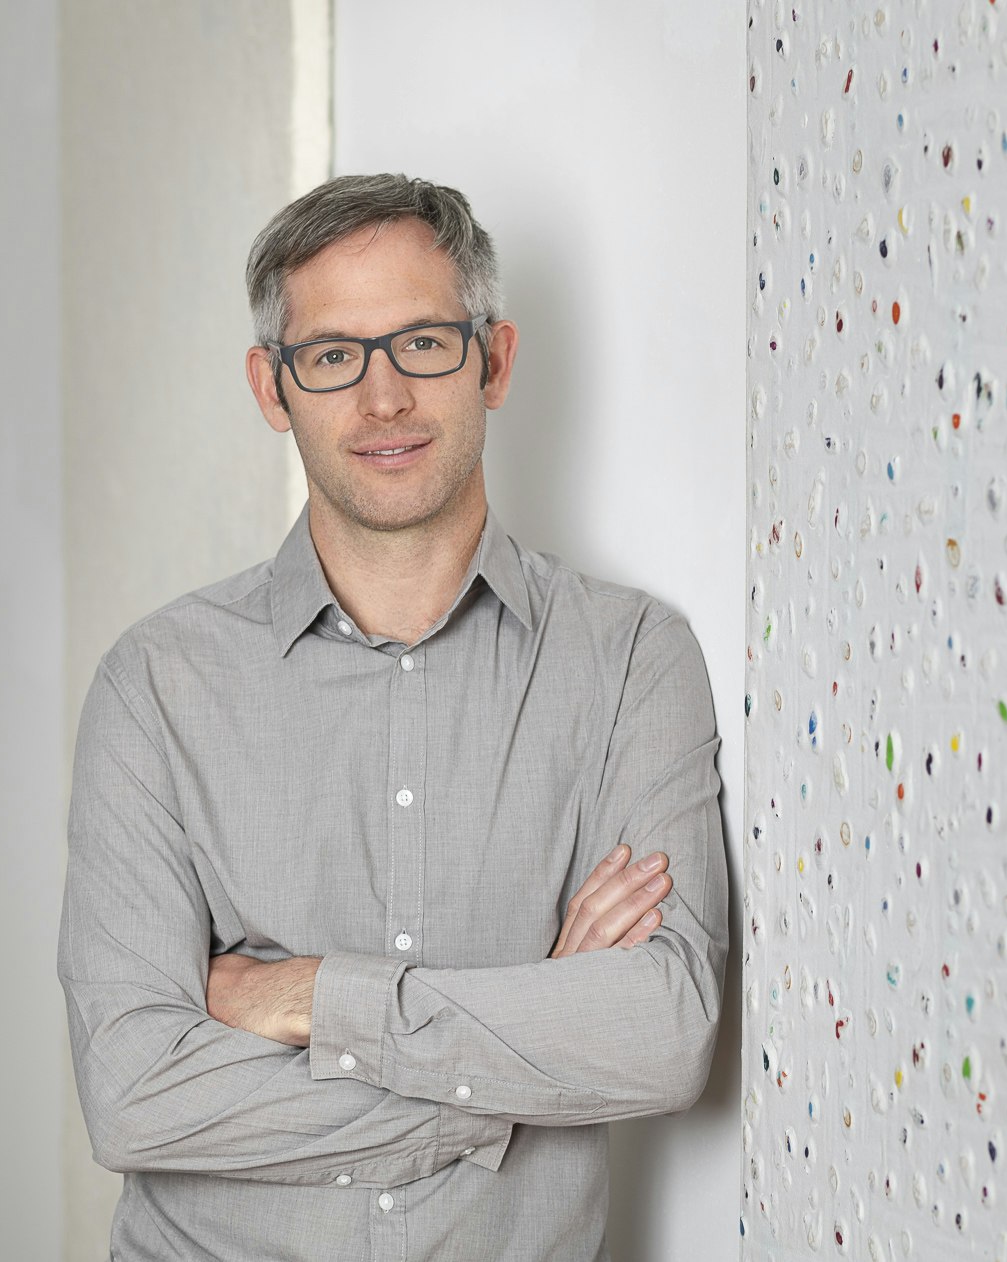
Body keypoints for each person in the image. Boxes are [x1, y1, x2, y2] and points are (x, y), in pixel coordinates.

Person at [56, 173, 728, 1261]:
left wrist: (316, 997)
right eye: (333, 356)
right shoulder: (156, 685)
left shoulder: (631, 660)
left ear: (493, 360)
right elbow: (135, 1092)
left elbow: (660, 1037)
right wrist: (526, 1056)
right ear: (273, 389)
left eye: (422, 343)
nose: (383, 400)